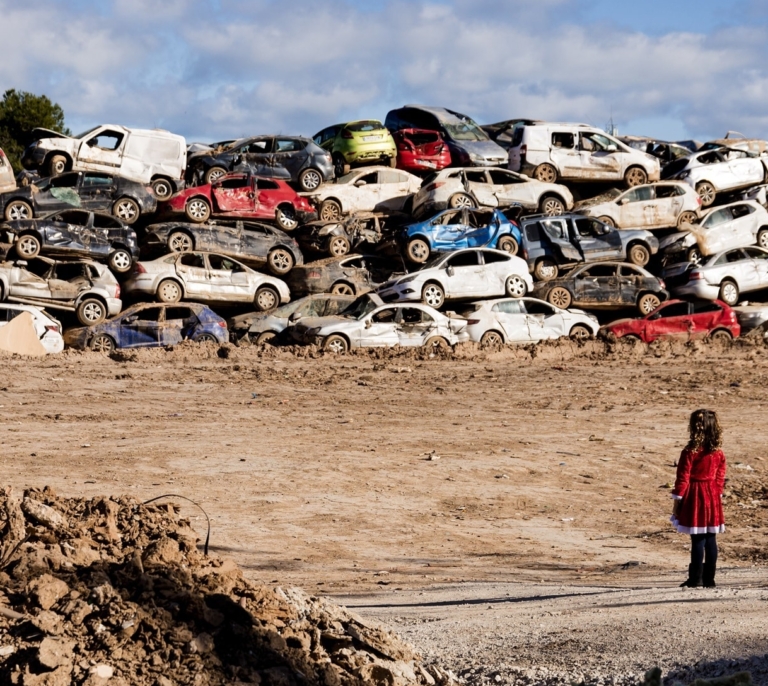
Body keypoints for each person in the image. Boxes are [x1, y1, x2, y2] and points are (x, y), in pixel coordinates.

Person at [671, 409, 726, 588]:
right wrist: (717, 492)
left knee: (697, 539)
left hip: (695, 495)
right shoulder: (718, 452)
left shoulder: (689, 452)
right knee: (711, 538)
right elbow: (720, 476)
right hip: (712, 495)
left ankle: (695, 579)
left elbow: (683, 477)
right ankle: (709, 579)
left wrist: (677, 500)